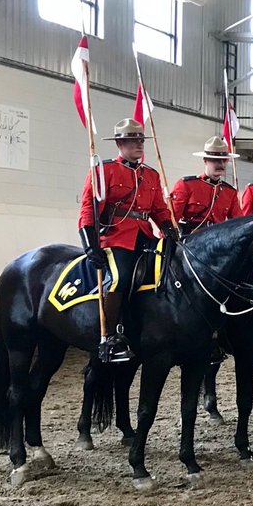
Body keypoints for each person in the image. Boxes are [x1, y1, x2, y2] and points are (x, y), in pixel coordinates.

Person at [77, 118, 178, 363]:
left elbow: (158, 210)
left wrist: (168, 228)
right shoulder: (104, 170)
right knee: (121, 277)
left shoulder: (151, 175)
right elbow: (88, 210)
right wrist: (90, 244)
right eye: (134, 140)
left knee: (172, 271)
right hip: (116, 237)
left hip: (145, 236)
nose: (139, 145)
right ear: (120, 143)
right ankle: (109, 338)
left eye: (141, 140)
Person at [171, 136, 241, 235]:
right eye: (216, 160)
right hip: (191, 239)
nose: (221, 164)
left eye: (224, 160)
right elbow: (172, 219)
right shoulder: (187, 185)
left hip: (218, 240)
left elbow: (238, 224)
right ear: (205, 160)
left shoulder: (230, 192)